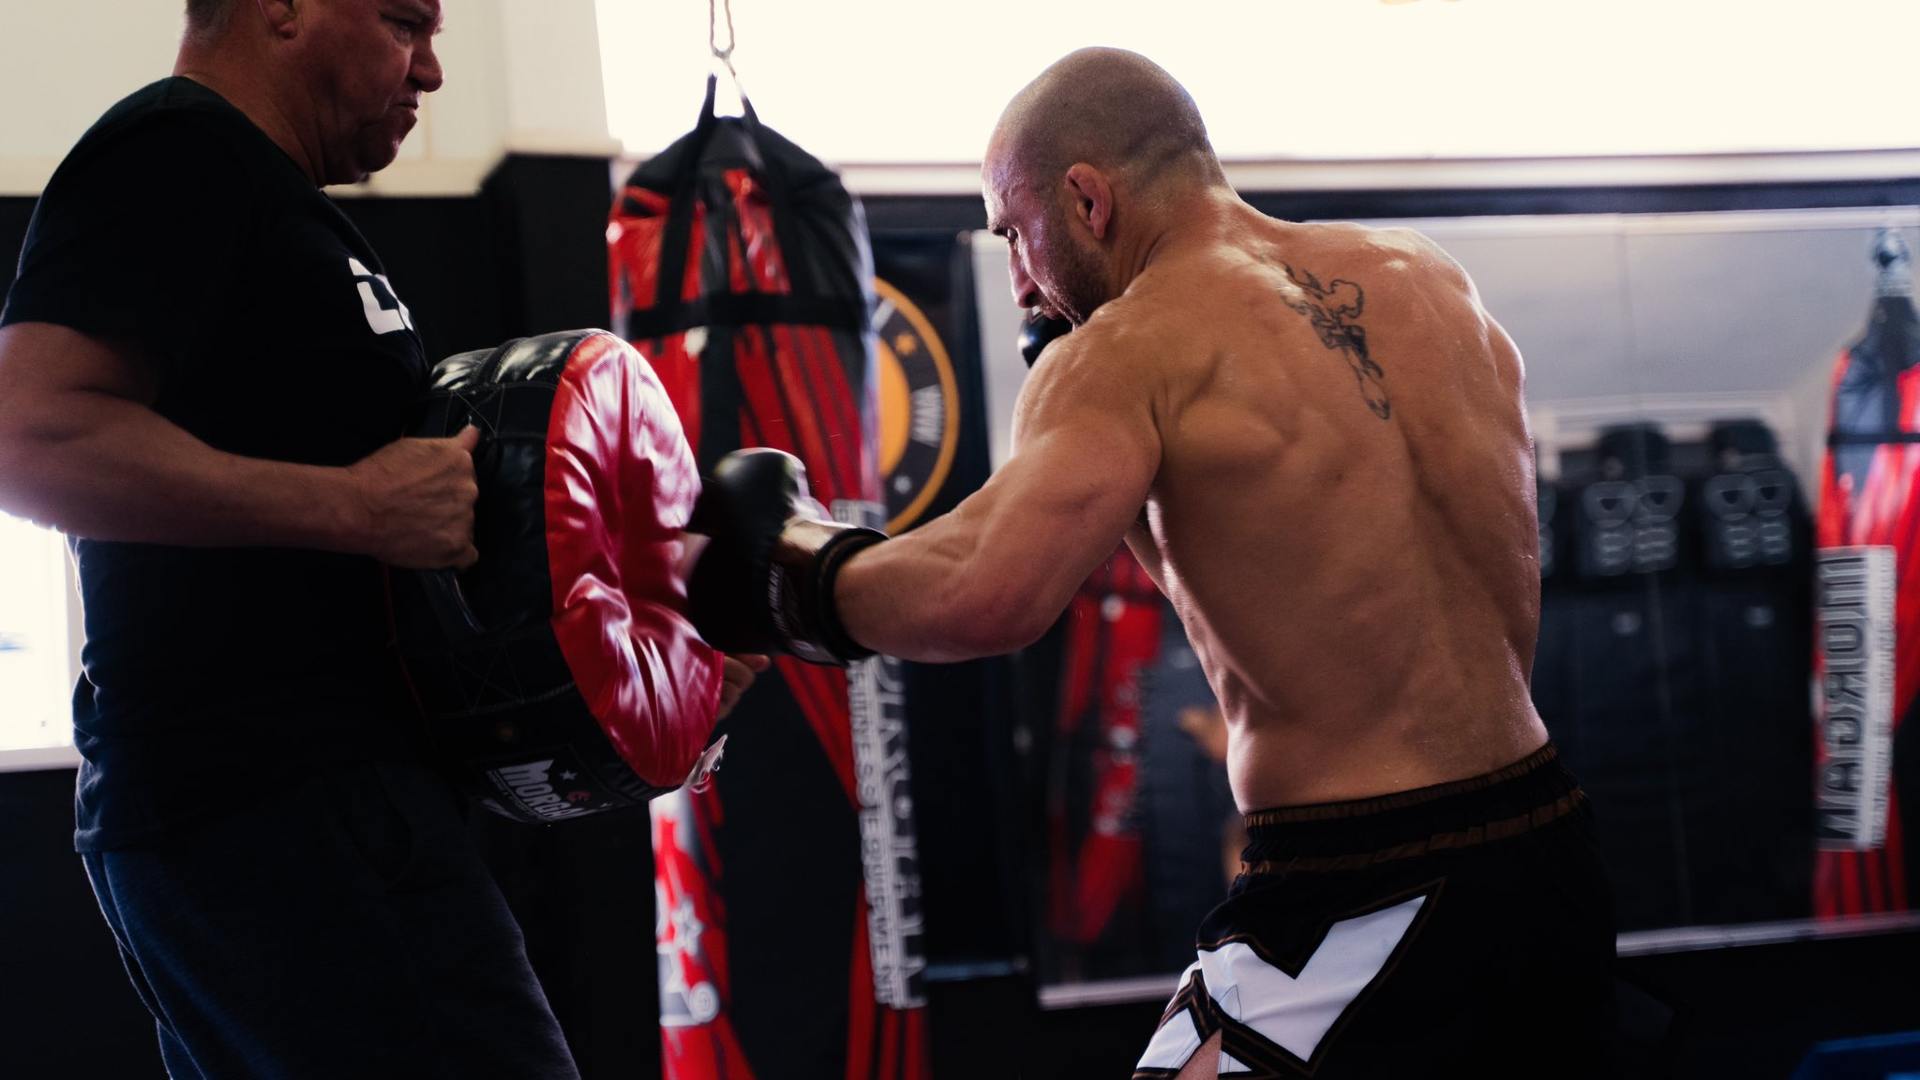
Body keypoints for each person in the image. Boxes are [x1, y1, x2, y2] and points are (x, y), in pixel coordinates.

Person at [687, 47, 1614, 1079]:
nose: (1020, 281)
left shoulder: (1130, 349)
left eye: (1014, 236)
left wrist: (787, 572)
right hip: (1549, 849)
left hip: (1365, 891)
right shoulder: (1431, 281)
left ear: (1086, 198)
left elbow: (985, 590)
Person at [0, 3, 756, 1076]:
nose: (434, 72)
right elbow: (27, 437)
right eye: (408, 22)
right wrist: (351, 505)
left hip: (324, 812)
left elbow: (404, 583)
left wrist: (657, 684)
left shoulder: (283, 214)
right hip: (275, 810)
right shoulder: (174, 152)